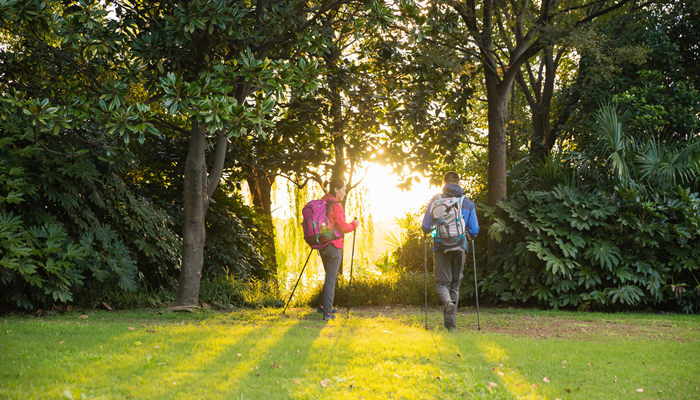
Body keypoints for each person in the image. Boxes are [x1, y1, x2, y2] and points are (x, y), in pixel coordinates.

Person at [421, 171, 479, 330]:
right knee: (454, 285)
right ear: (459, 183)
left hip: (440, 247)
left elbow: (426, 227)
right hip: (460, 246)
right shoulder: (467, 203)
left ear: (444, 183)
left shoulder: (435, 200)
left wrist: (435, 235)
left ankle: (447, 304)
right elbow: (474, 230)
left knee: (442, 283)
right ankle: (451, 326)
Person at [318, 178, 358, 321]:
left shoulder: (323, 201)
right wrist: (354, 224)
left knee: (329, 276)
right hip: (334, 246)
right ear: (336, 189)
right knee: (331, 279)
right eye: (343, 189)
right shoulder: (336, 205)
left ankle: (323, 306)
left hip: (322, 245)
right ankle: (327, 312)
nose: (344, 192)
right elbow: (343, 227)